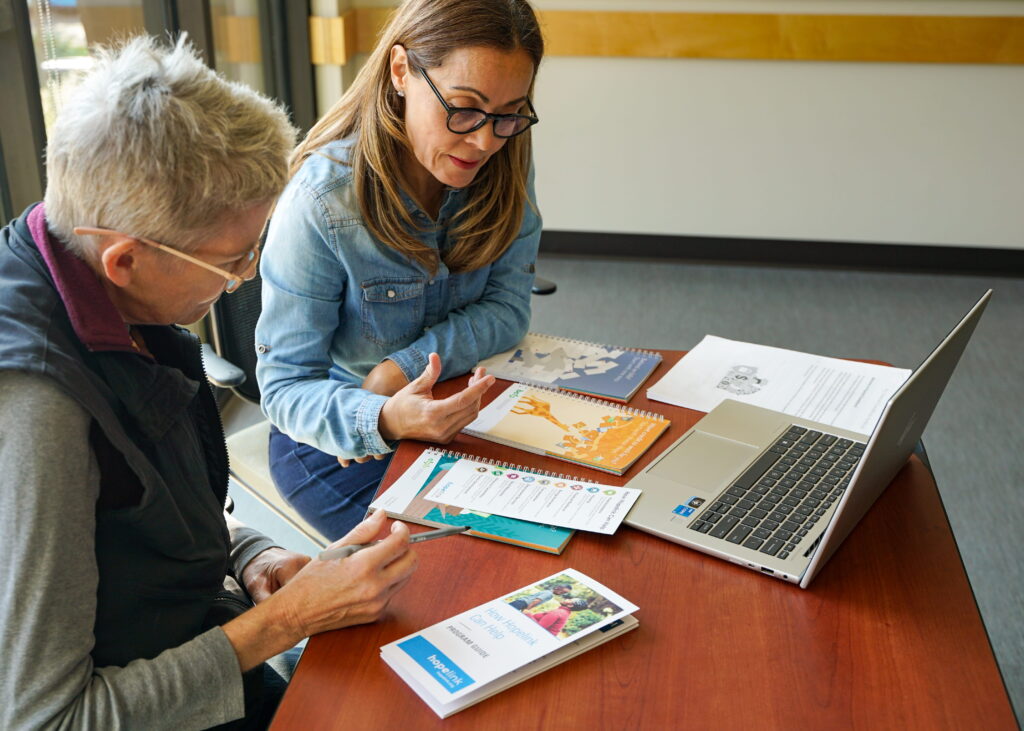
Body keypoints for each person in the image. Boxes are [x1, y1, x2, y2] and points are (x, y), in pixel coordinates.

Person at [0, 36, 416, 730]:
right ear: (127, 258)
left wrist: (251, 553)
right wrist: (282, 623)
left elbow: (135, 522)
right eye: (232, 259)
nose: (248, 274)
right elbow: (49, 718)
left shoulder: (95, 277)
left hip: (206, 646)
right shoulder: (39, 412)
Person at [255, 0, 545, 540]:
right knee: (469, 564)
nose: (485, 140)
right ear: (400, 72)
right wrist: (384, 414)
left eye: (509, 113)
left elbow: (508, 308)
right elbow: (286, 386)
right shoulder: (323, 200)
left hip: (453, 412)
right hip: (336, 439)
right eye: (463, 107)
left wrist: (402, 367)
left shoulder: (504, 160)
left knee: (554, 529)